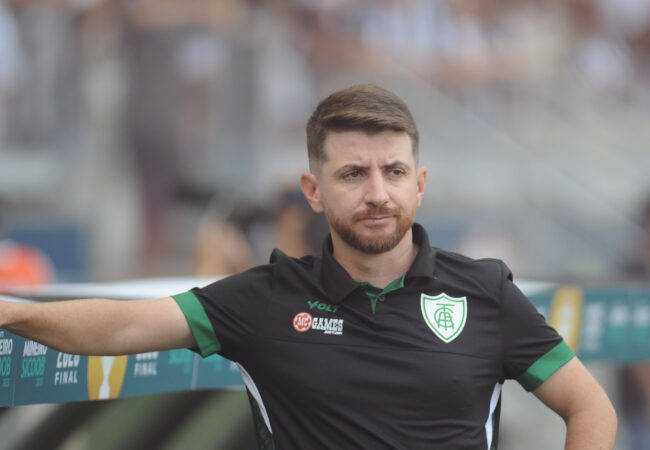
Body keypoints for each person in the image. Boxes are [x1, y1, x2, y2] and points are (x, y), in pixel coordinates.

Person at [0, 84, 616, 449]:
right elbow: (121, 327)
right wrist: (11, 312)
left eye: (394, 172)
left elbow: (591, 408)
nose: (378, 192)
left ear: (420, 183)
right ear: (313, 189)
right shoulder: (265, 299)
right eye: (353, 173)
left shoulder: (485, 291)